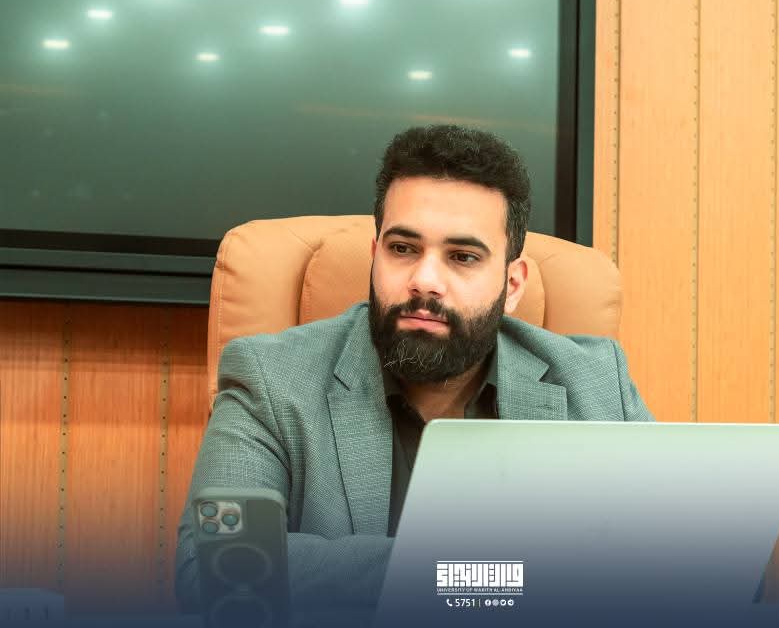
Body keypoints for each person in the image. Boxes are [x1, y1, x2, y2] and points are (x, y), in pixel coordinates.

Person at [175, 124, 654, 614]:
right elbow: (216, 565)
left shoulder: (595, 383)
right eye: (402, 249)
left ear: (512, 285)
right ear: (374, 256)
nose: (425, 280)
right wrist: (475, 572)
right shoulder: (271, 379)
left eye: (462, 257)